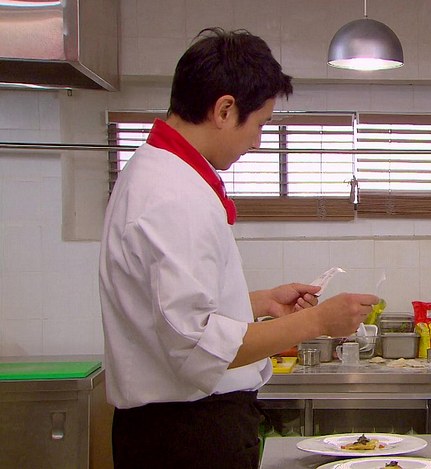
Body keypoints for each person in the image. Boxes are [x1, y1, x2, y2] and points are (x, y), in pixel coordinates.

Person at [99, 28, 378, 469]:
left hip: (181, 429)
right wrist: (317, 321)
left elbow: (170, 315)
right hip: (187, 436)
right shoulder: (172, 195)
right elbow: (197, 347)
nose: (258, 141)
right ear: (225, 110)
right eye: (260, 124)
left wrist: (259, 302)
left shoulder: (161, 174)